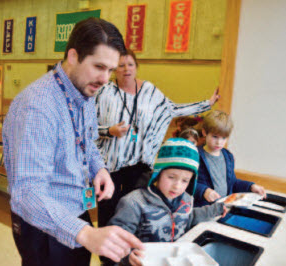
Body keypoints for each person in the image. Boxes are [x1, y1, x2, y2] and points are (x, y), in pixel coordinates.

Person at [2, 18, 143, 266]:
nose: (104, 78)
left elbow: (87, 142)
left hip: (76, 211)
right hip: (42, 223)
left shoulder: (84, 92)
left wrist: (98, 168)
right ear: (73, 55)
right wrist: (86, 233)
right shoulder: (37, 106)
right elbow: (27, 194)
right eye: (98, 66)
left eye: (110, 70)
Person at [95, 48, 221, 227]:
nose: (126, 69)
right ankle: (106, 252)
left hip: (139, 166)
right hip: (110, 166)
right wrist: (109, 131)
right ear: (114, 69)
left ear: (136, 67)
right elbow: (88, 126)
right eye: (121, 65)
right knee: (107, 209)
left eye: (130, 64)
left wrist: (206, 104)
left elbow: (172, 109)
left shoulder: (148, 91)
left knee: (135, 211)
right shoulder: (104, 91)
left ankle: (128, 251)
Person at [108, 138, 227, 266]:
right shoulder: (133, 203)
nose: (177, 186)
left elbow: (189, 217)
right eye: (171, 177)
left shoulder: (186, 199)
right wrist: (128, 255)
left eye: (185, 181)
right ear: (158, 173)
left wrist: (216, 209)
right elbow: (116, 238)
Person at [194, 110, 266, 207]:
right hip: (203, 209)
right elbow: (186, 184)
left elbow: (233, 182)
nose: (219, 142)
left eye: (223, 138)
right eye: (215, 137)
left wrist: (251, 186)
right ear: (204, 132)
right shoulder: (194, 155)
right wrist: (204, 191)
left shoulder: (228, 156)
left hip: (224, 208)